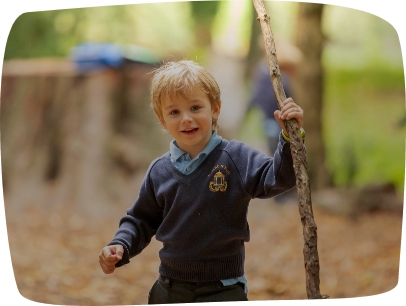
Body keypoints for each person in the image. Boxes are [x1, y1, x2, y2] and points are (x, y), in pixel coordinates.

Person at [99, 60, 304, 303]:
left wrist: (290, 138)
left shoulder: (236, 158)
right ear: (162, 119)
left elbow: (278, 178)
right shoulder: (159, 171)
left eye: (195, 108)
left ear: (215, 108)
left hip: (224, 289)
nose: (186, 118)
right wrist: (121, 244)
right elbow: (140, 220)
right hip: (170, 288)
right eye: (174, 112)